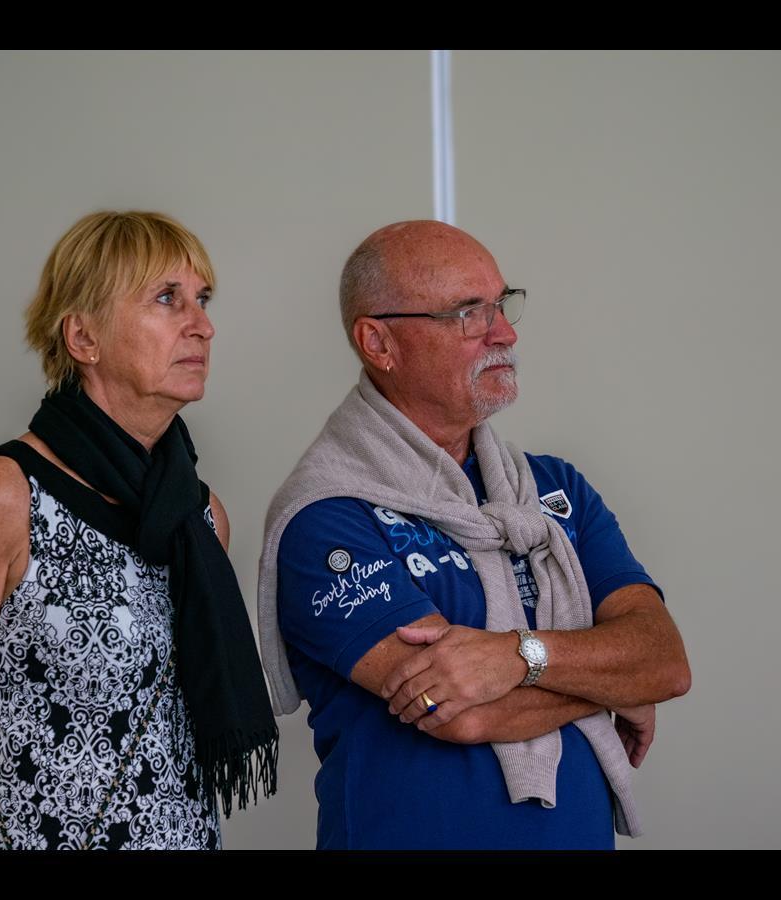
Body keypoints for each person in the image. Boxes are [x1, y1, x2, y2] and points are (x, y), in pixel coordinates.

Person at [257, 219, 690, 849]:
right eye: (468, 313)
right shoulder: (327, 516)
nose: (505, 333)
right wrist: (606, 687)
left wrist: (516, 656)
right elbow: (460, 713)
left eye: (501, 304)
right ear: (379, 342)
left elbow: (665, 662)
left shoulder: (552, 488)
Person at [0, 211, 277, 850]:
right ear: (83, 336)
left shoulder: (201, 518)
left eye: (202, 299)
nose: (202, 324)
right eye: (166, 299)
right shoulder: (5, 495)